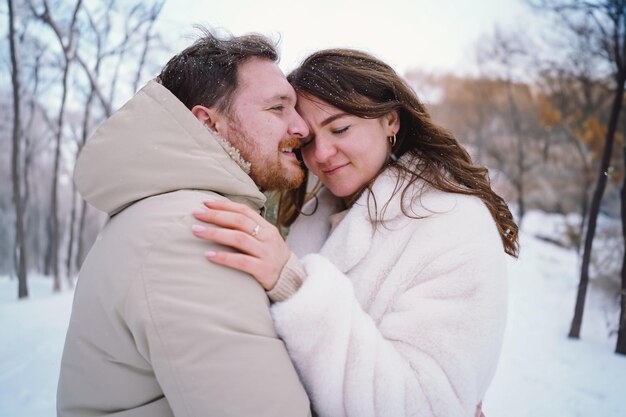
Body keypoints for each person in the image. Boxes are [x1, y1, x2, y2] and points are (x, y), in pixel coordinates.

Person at [190, 48, 519, 417]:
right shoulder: (318, 213)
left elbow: (425, 406)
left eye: (341, 128)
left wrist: (296, 286)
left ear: (390, 121)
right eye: (309, 141)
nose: (323, 155)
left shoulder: (453, 224)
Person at [57, 30, 312, 417]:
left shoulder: (164, 213)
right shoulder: (192, 230)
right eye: (278, 109)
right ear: (208, 124)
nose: (302, 128)